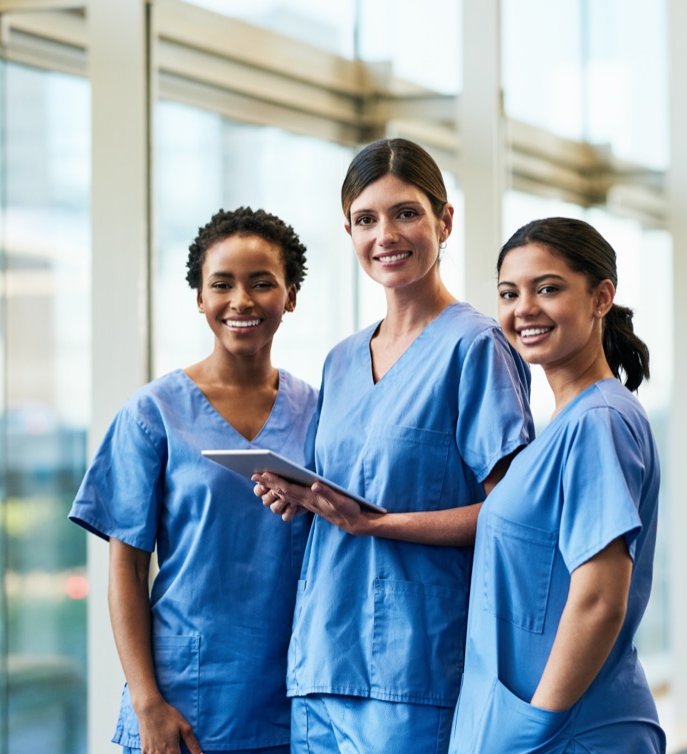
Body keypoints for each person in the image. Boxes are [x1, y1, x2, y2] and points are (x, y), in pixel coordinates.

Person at [252, 137, 534, 753]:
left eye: (406, 213)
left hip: (415, 668)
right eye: (366, 219)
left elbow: (515, 518)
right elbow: (352, 488)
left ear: (444, 220)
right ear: (349, 232)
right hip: (322, 663)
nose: (386, 234)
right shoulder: (341, 360)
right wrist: (302, 497)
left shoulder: (477, 348)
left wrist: (378, 524)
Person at [69, 206, 319, 754]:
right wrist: (146, 702)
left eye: (262, 284)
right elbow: (128, 569)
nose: (241, 301)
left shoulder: (318, 411)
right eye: (222, 285)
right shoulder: (154, 413)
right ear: (200, 299)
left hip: (297, 699)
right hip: (185, 705)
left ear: (291, 295)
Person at [448, 217, 665, 753]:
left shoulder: (600, 421)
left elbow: (599, 599)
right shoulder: (566, 426)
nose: (524, 308)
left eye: (547, 288)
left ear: (600, 298)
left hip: (564, 731)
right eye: (509, 292)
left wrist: (533, 728)